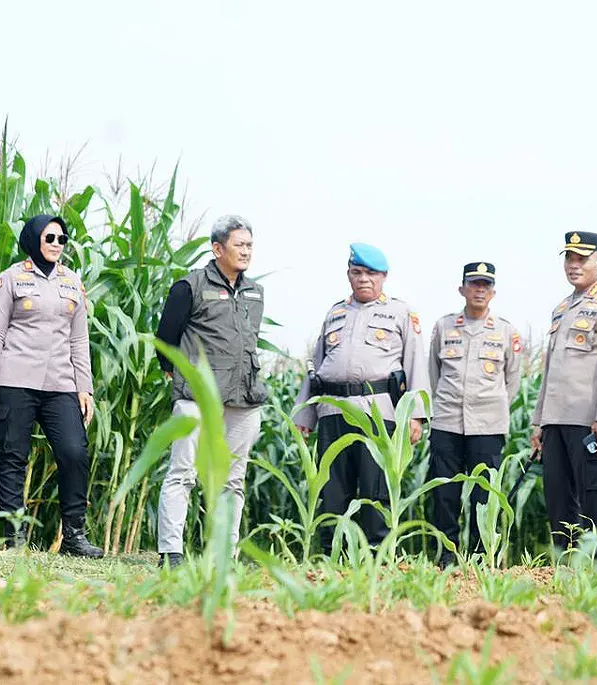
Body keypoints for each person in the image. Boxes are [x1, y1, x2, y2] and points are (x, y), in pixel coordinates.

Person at [0, 214, 103, 558]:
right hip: (15, 379)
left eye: (62, 239)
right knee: (13, 455)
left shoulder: (72, 282)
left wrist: (84, 388)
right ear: (34, 240)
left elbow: (79, 340)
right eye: (50, 238)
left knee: (75, 451)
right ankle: (14, 537)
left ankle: (73, 536)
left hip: (60, 383)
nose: (57, 245)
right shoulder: (11, 279)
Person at [294, 243, 429, 554]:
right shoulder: (335, 313)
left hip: (378, 412)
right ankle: (331, 553)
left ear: (383, 277)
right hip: (333, 410)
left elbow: (415, 364)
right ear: (348, 275)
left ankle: (375, 554)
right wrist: (304, 415)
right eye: (357, 272)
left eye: (371, 273)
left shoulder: (400, 313)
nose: (364, 279)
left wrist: (417, 415)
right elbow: (317, 364)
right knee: (332, 486)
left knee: (374, 487)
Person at [154, 215, 267, 568]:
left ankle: (224, 555)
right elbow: (165, 341)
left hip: (243, 398)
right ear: (217, 249)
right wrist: (180, 376)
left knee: (233, 480)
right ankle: (171, 553)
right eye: (239, 245)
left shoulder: (255, 292)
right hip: (196, 397)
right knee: (183, 473)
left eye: (249, 245)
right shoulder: (189, 287)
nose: (246, 251)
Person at [530, 231, 597, 552]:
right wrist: (539, 422)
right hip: (555, 421)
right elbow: (551, 371)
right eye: (569, 258)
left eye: (582, 259)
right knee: (559, 501)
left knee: (596, 500)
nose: (574, 265)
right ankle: (567, 567)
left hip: (588, 421)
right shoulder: (561, 308)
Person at [427, 262, 522, 567]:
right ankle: (446, 556)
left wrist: (493, 408)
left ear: (493, 292)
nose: (480, 290)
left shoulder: (505, 331)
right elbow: (433, 373)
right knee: (445, 492)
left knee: (484, 495)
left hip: (487, 424)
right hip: (447, 421)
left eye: (486, 285)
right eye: (474, 284)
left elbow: (513, 380)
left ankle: (481, 558)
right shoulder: (444, 327)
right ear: (462, 289)